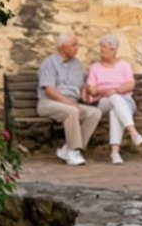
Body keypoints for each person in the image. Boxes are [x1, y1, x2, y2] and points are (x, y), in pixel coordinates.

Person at [38, 31, 98, 166]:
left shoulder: (76, 64)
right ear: (62, 47)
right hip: (49, 103)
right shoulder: (49, 63)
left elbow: (80, 84)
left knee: (95, 113)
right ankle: (73, 151)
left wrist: (84, 91)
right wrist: (70, 103)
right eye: (73, 45)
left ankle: (68, 148)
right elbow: (49, 89)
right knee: (72, 111)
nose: (77, 48)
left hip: (71, 103)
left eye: (77, 45)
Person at [87, 33, 142, 163]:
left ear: (113, 50)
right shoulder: (94, 68)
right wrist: (102, 90)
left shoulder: (124, 65)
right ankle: (133, 132)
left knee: (115, 111)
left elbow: (131, 84)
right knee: (114, 98)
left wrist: (116, 90)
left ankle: (115, 153)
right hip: (103, 102)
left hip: (126, 102)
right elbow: (91, 89)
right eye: (102, 46)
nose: (102, 50)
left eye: (105, 47)